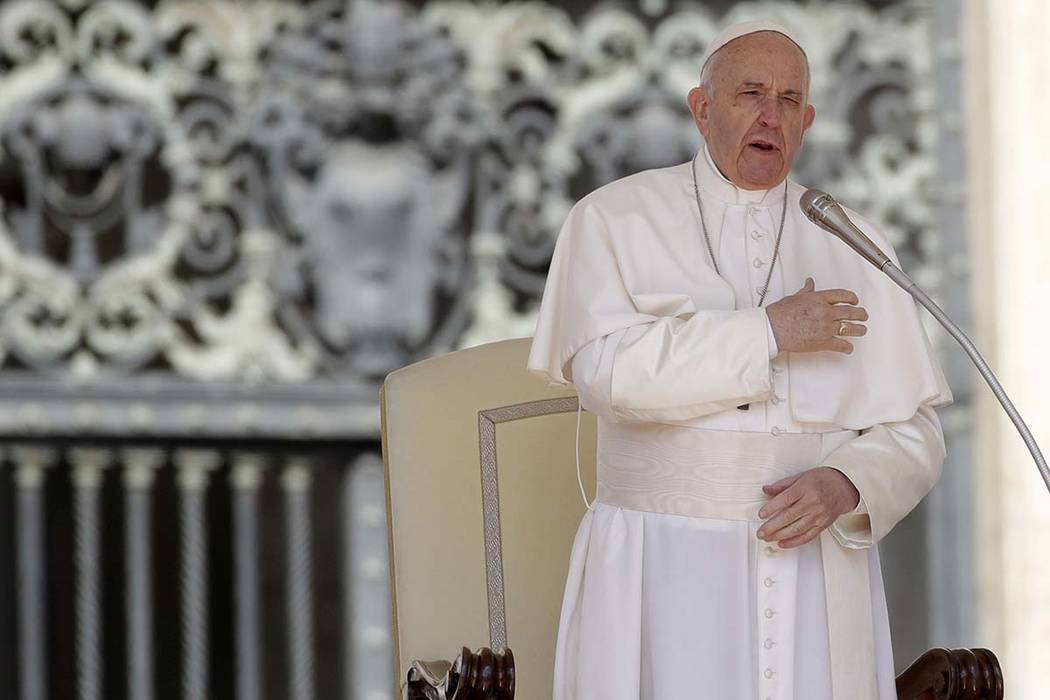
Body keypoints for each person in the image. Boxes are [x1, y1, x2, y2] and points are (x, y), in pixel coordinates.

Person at [526, 19, 952, 700]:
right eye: (749, 93)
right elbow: (609, 376)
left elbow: (917, 431)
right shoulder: (612, 219)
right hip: (662, 569)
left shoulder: (855, 241)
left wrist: (848, 482)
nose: (769, 115)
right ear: (701, 108)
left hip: (818, 572)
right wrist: (768, 333)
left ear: (808, 120)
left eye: (788, 100)